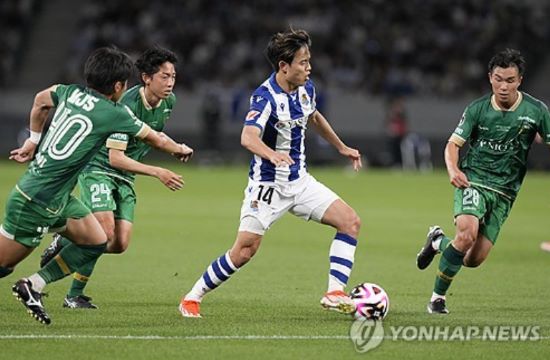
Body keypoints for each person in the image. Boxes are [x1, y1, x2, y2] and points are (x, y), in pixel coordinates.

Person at [0, 46, 192, 325]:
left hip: (59, 197)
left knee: (97, 241)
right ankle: (40, 280)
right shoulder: (115, 113)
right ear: (118, 86)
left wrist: (33, 140)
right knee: (3, 266)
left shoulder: (69, 92)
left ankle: (33, 285)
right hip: (35, 201)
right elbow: (156, 139)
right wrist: (178, 149)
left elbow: (41, 101)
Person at [178, 28, 362, 318]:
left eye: (308, 60)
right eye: (303, 62)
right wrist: (271, 154)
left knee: (350, 221)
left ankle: (334, 292)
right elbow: (248, 137)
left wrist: (341, 146)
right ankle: (192, 296)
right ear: (284, 67)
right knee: (244, 251)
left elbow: (313, 116)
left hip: (299, 182)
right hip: (267, 187)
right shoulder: (265, 97)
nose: (309, 68)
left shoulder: (306, 89)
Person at [416, 49, 550, 314]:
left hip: (505, 192)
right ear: (490, 78)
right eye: (498, 79)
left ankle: (437, 242)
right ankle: (437, 298)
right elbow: (453, 144)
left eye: (510, 80)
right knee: (466, 235)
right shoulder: (477, 109)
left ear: (520, 80)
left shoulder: (536, 111)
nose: (503, 86)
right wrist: (453, 170)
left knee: (473, 259)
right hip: (473, 181)